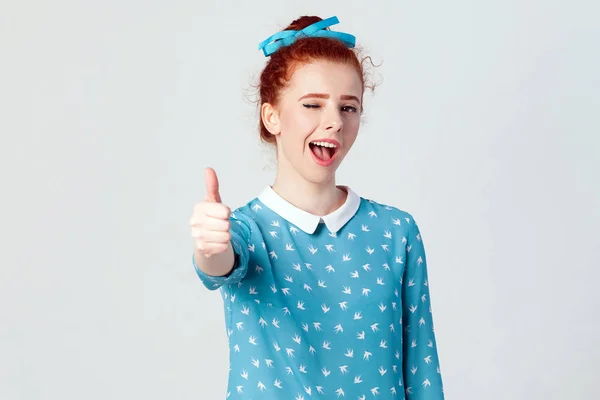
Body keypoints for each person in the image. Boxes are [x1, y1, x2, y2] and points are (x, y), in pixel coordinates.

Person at [189, 15, 445, 400]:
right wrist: (209, 246)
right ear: (271, 115)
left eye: (349, 108)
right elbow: (219, 263)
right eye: (313, 104)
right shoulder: (244, 229)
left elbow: (422, 368)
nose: (334, 123)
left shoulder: (396, 231)